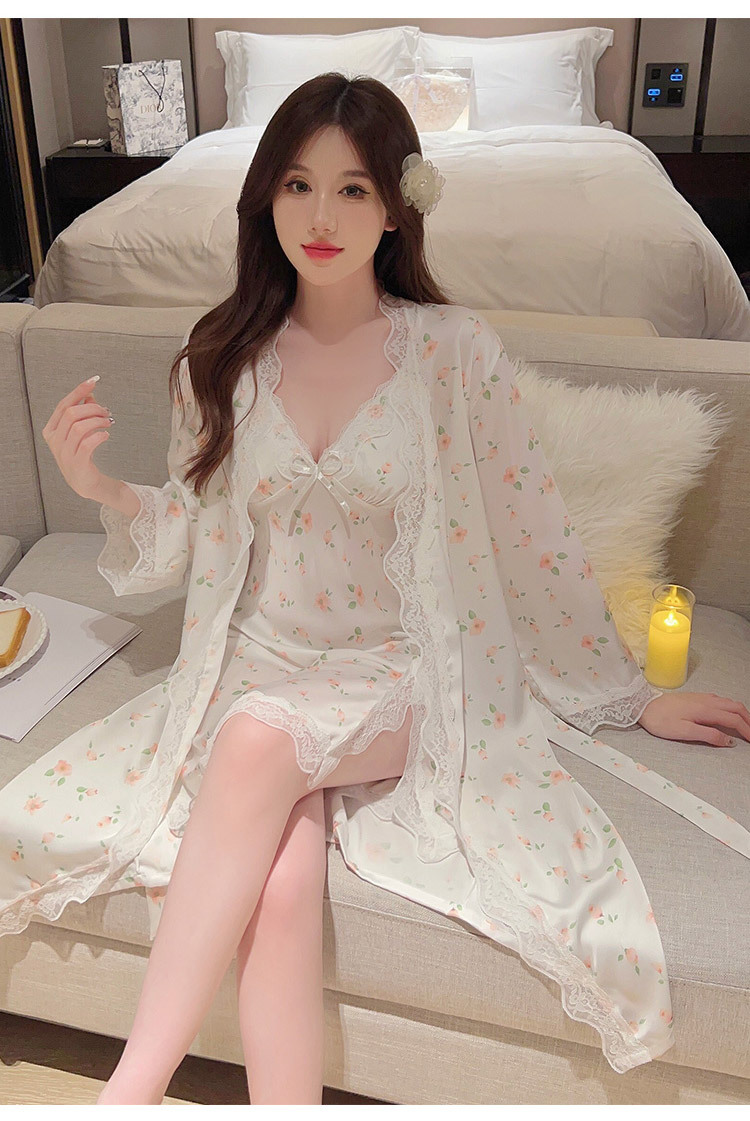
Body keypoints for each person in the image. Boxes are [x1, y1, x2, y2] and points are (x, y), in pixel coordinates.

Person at [2, 72, 749, 1104]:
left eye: (353, 189)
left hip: (399, 672)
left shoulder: (452, 353)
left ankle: (128, 1088)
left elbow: (528, 531)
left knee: (256, 742)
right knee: (282, 872)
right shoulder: (219, 356)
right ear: (265, 195)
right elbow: (195, 530)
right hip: (256, 658)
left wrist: (626, 692)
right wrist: (102, 490)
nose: (322, 217)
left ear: (399, 205)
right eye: (298, 185)